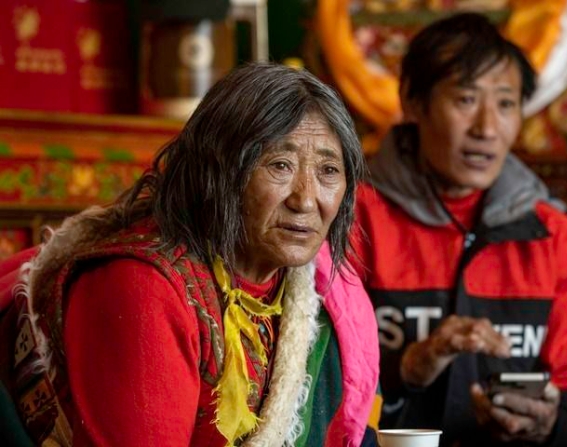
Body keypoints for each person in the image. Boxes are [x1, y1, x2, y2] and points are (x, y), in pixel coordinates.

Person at [0, 63, 381, 446]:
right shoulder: (144, 288)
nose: (306, 200)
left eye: (328, 171)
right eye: (280, 165)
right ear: (219, 171)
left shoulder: (321, 295)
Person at [351, 13, 567, 447]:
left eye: (505, 104)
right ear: (413, 102)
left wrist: (551, 422)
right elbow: (311, 392)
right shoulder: (352, 222)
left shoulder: (553, 238)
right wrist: (405, 371)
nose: (487, 128)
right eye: (465, 100)